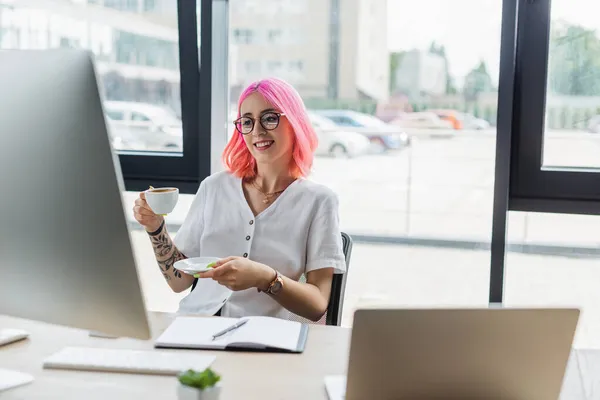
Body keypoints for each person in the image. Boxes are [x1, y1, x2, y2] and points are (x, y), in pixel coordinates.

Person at [133, 77, 346, 321]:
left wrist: (265, 277)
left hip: (265, 338)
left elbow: (317, 303)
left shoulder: (319, 201)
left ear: (295, 122)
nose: (257, 131)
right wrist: (155, 228)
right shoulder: (214, 188)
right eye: (247, 121)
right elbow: (179, 281)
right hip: (195, 326)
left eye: (269, 118)